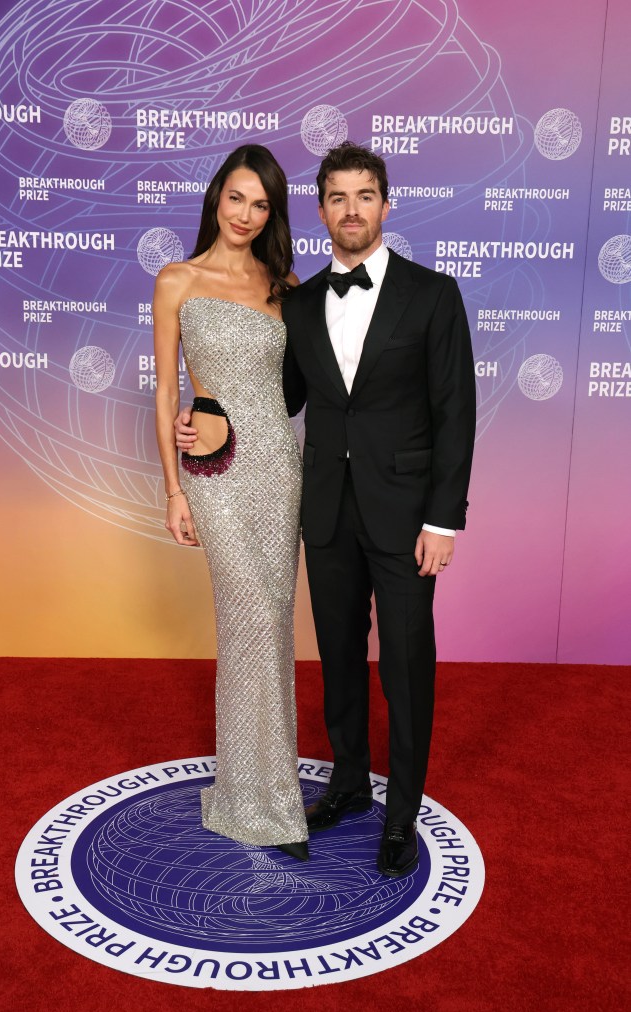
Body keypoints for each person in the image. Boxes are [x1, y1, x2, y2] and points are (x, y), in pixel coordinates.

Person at [177, 142, 476, 878]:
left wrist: (443, 520)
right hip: (324, 511)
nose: (351, 209)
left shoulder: (433, 294)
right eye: (337, 197)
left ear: (385, 204)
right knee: (340, 658)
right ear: (320, 211)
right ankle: (347, 783)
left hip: (405, 516)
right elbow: (274, 398)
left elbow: (456, 414)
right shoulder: (300, 301)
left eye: (364, 195)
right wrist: (205, 414)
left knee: (404, 665)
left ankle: (401, 815)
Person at [153, 144, 309, 861]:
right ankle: (256, 802)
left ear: (272, 214)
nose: (245, 214)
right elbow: (166, 392)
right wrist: (172, 489)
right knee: (249, 616)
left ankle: (267, 792)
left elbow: (298, 392)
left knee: (272, 624)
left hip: (278, 470)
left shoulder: (285, 286)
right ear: (217, 196)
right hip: (215, 475)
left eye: (261, 205)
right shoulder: (177, 280)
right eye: (237, 198)